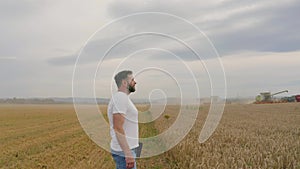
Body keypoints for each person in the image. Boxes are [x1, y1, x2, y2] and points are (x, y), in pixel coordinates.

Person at [107, 70, 139, 169]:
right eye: (132, 79)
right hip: (124, 151)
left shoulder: (123, 97)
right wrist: (128, 154)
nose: (135, 82)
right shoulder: (120, 97)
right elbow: (118, 127)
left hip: (126, 149)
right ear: (124, 83)